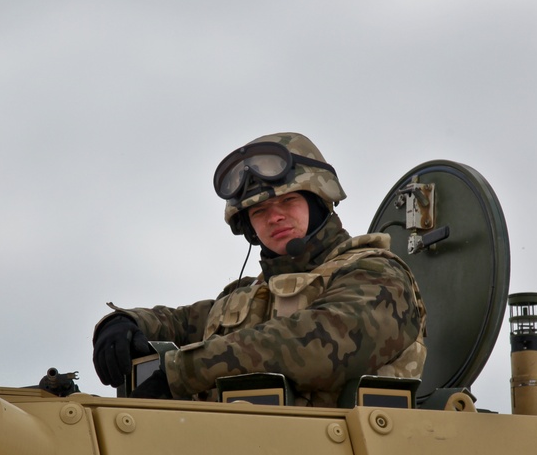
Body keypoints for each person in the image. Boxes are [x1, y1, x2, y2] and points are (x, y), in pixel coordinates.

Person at [92, 132, 427, 406]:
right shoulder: (249, 295)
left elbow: (316, 343)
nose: (274, 217)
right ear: (250, 229)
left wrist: (181, 372)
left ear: (317, 201)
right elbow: (183, 323)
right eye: (259, 211)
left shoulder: (376, 275)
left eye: (288, 201)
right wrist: (125, 322)